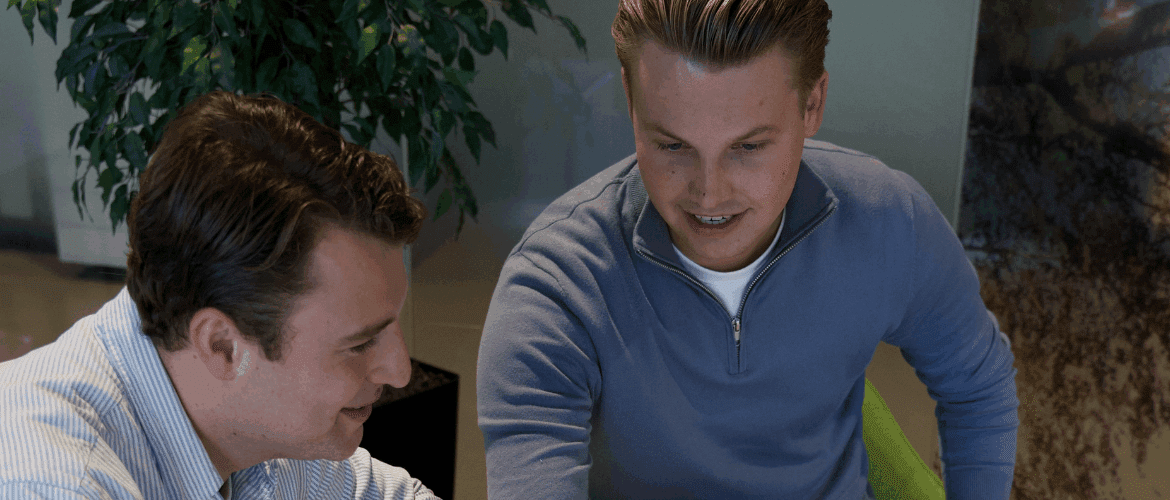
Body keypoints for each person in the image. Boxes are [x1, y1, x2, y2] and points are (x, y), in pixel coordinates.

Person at [476, 0, 1019, 498]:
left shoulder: (887, 220)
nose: (709, 194)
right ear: (630, 100)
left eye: (749, 147)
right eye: (672, 145)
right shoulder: (556, 285)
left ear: (812, 104)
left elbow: (979, 387)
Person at [0, 91, 440, 499]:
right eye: (361, 343)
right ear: (222, 347)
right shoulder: (54, 484)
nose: (400, 371)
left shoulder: (247, 412)